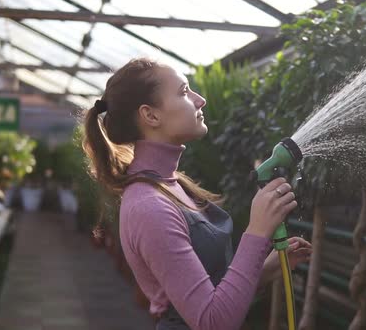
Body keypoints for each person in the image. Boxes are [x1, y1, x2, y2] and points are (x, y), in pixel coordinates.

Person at [82, 58, 312, 330]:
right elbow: (212, 321)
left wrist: (267, 268)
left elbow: (210, 292)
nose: (200, 99)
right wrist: (258, 231)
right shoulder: (149, 207)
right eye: (183, 91)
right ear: (151, 115)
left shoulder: (170, 184)